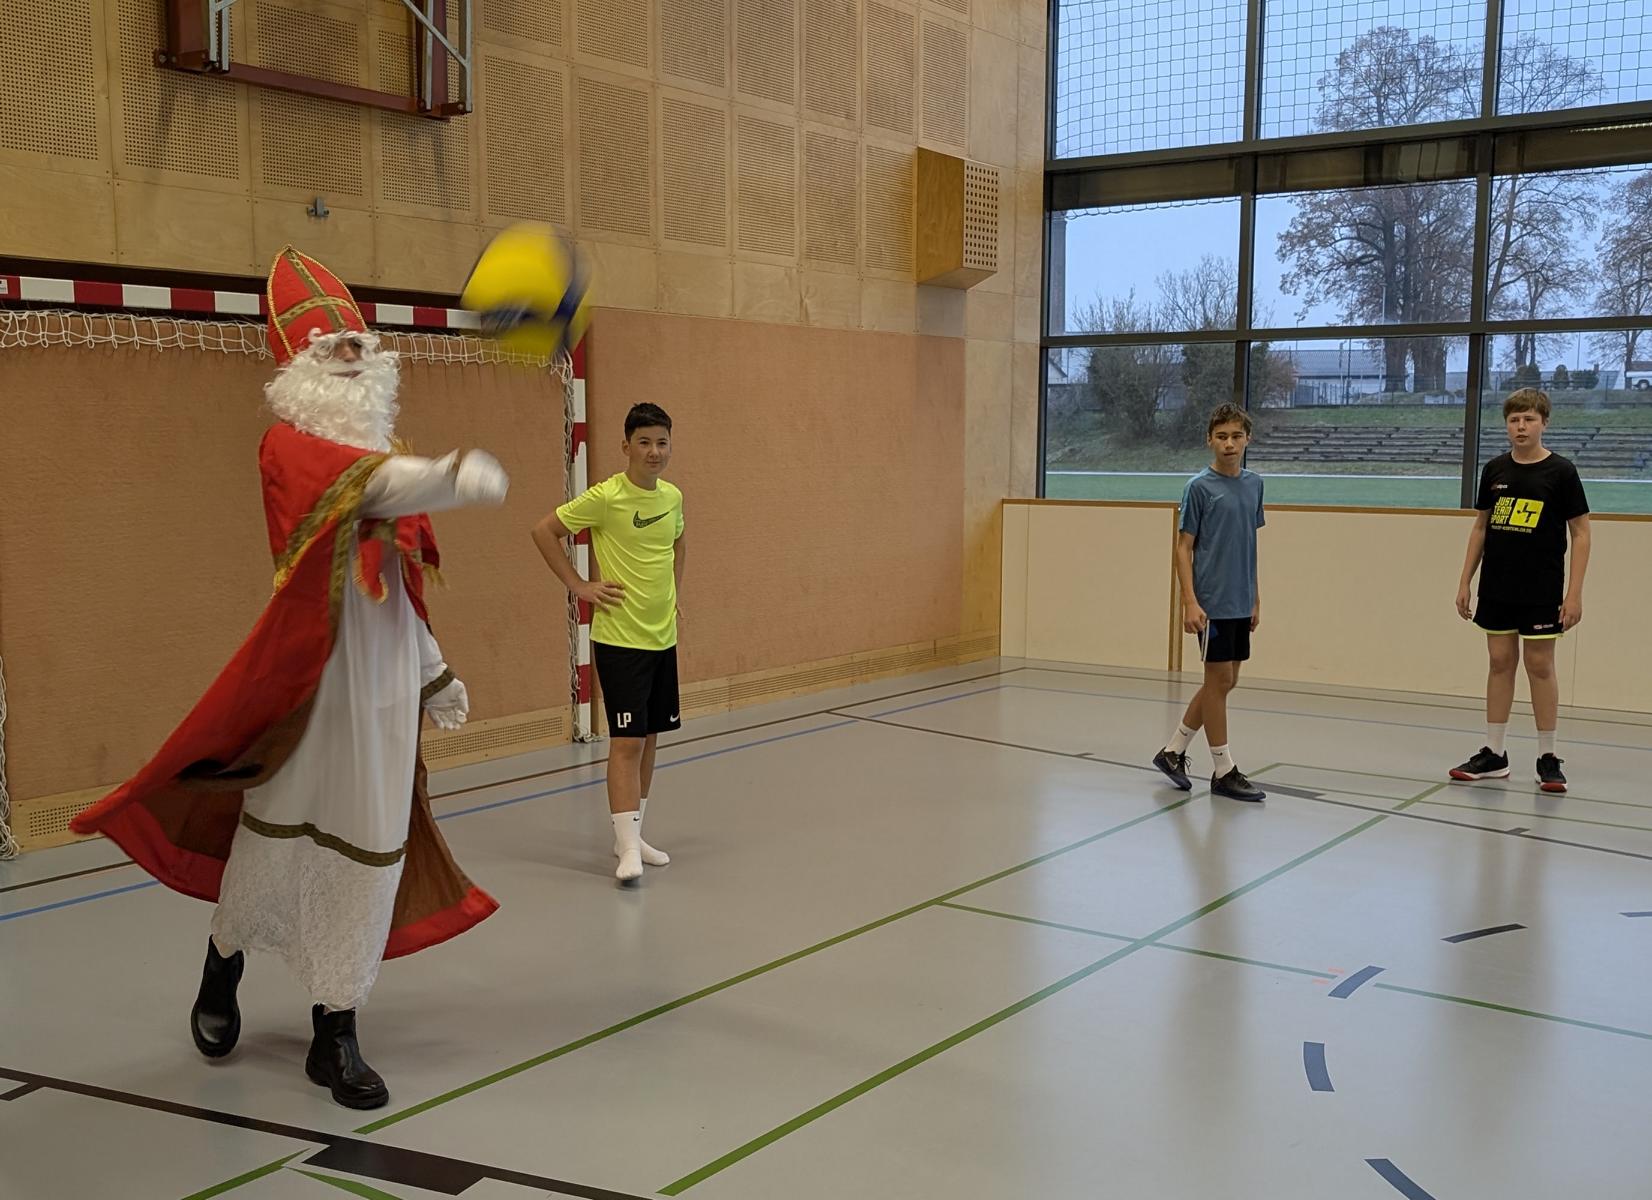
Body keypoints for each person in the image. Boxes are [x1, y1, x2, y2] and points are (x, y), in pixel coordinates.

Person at [70, 247, 510, 1109]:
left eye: (358, 343)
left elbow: (402, 588)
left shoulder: (386, 457)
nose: (350, 354)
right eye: (329, 346)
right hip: (307, 692)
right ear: (295, 368)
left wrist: (433, 673)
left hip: (383, 702)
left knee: (370, 854)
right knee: (271, 841)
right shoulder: (290, 450)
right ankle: (223, 959)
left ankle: (335, 1032)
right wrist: (450, 479)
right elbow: (368, 490)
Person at [531, 403, 685, 882]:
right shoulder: (606, 497)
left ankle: (633, 835)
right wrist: (579, 585)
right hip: (620, 640)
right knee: (627, 742)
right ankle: (626, 850)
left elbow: (678, 543)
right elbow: (544, 531)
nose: (654, 451)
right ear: (626, 447)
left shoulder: (673, 497)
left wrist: (674, 594)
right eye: (644, 442)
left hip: (662, 639)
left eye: (662, 442)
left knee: (651, 737)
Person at [1451, 387, 1591, 793]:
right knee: (1499, 662)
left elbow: (1581, 534)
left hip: (1541, 589)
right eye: (1514, 420)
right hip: (1498, 586)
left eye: (1529, 419)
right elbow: (1481, 527)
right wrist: (1465, 580)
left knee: (1540, 665)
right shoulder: (1495, 469)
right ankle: (1495, 754)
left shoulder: (1561, 472)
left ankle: (1548, 757)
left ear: (1544, 422)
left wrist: (1574, 593)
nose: (1521, 426)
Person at [1153, 403, 1268, 803]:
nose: (1229, 444)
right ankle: (1223, 770)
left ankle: (1172, 751)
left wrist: (1254, 597)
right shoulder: (1198, 488)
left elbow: (1248, 544)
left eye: (1236, 436)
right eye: (1221, 436)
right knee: (1217, 681)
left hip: (1240, 600)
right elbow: (1183, 548)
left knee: (1226, 681)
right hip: (1212, 603)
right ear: (1209, 440)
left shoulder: (1255, 485)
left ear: (1248, 439)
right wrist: (1190, 601)